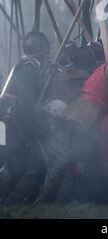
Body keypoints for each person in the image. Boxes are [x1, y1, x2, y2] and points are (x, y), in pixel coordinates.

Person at [37, 40, 108, 204]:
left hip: (76, 116)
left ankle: (56, 202)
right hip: (87, 121)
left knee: (68, 163)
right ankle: (54, 201)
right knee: (74, 162)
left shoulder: (107, 68)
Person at [0, 31, 50, 204]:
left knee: (17, 164)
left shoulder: (26, 66)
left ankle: (10, 202)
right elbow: (27, 105)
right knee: (19, 164)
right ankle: (10, 202)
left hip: (9, 123)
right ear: (42, 53)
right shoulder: (28, 69)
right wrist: (30, 133)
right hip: (7, 125)